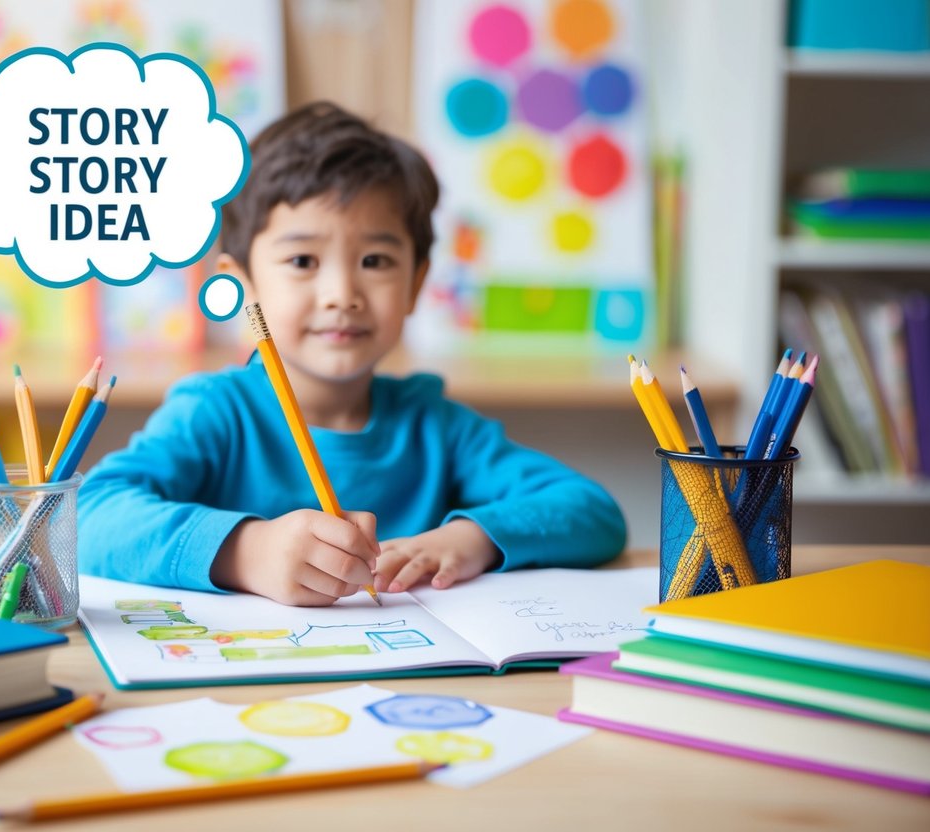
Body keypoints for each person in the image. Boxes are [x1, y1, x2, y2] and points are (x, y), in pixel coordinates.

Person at [78, 101, 627, 606]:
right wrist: (246, 552)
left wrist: (470, 539)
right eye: (302, 262)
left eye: (375, 262)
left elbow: (592, 510)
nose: (342, 294)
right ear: (241, 286)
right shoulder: (216, 412)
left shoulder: (435, 424)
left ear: (415, 283)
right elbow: (88, 513)